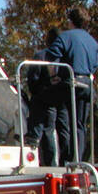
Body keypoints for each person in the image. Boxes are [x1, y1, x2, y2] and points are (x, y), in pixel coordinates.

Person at [46, 7, 98, 163]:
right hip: (87, 85)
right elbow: (95, 66)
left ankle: (65, 157)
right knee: (80, 125)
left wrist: (54, 76)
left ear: (70, 21)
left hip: (70, 84)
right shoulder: (92, 42)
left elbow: (51, 57)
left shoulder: (66, 37)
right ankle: (79, 159)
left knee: (61, 120)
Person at [25, 28, 64, 165]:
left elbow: (32, 79)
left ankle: (31, 158)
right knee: (49, 130)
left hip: (40, 98)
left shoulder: (40, 56)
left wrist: (35, 92)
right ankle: (51, 163)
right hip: (54, 100)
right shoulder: (62, 58)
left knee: (35, 131)